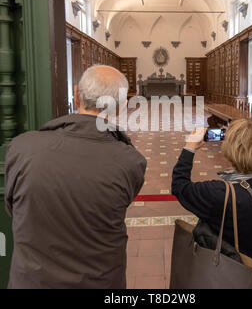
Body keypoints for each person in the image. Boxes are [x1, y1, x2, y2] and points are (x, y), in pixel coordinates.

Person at [5, 65, 147, 289]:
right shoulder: (131, 162)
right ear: (121, 106)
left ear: (76, 94)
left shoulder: (22, 148)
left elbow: (14, 209)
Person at [172, 119, 252, 275]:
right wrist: (236, 134)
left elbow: (179, 186)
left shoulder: (218, 194)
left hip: (225, 272)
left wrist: (190, 147)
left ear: (232, 149)